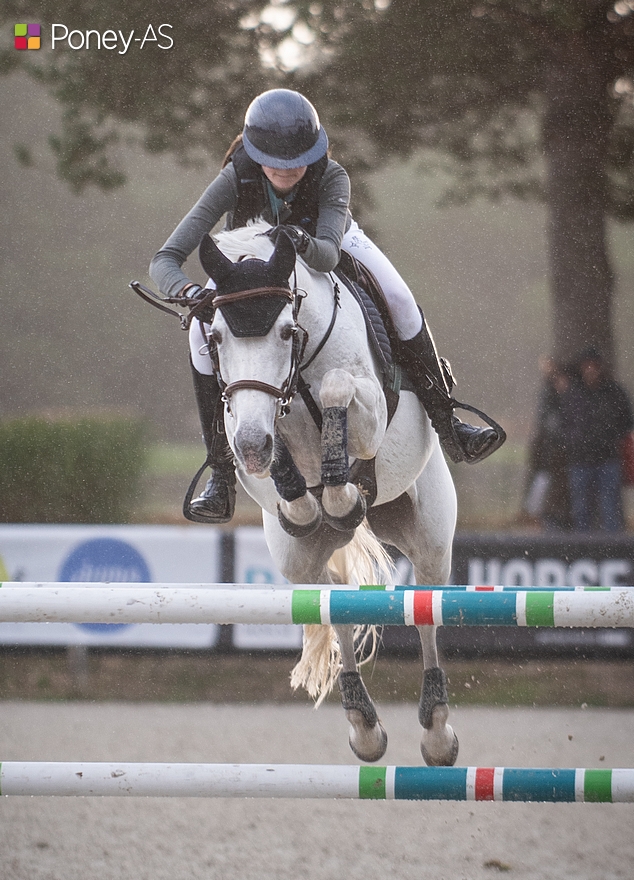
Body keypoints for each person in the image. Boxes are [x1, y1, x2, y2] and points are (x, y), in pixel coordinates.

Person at [150, 89, 505, 523]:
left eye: (298, 158)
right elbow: (163, 260)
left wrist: (298, 238)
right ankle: (220, 473)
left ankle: (448, 422)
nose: (288, 169)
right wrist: (190, 293)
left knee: (400, 299)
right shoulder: (234, 177)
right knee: (197, 334)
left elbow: (327, 257)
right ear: (256, 153)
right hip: (253, 259)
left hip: (325, 241)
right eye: (276, 161)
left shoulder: (332, 177)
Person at [560, 347, 633, 532]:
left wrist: (612, 438)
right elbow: (563, 422)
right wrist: (573, 441)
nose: (590, 369)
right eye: (587, 365)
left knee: (610, 509)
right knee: (581, 510)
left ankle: (613, 551)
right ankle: (582, 550)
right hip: (579, 460)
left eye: (594, 365)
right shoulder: (573, 394)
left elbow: (627, 421)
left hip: (608, 458)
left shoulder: (614, 392)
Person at [522, 356, 572, 530]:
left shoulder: (565, 400)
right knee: (541, 490)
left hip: (558, 458)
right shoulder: (548, 397)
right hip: (548, 458)